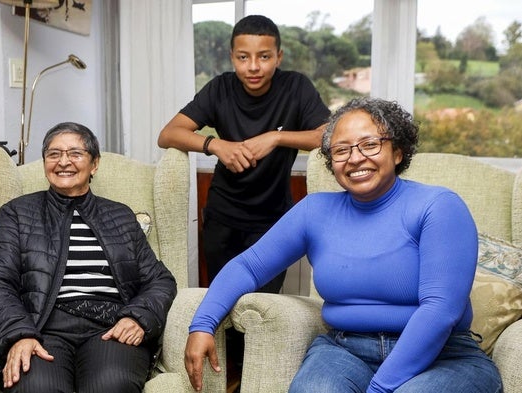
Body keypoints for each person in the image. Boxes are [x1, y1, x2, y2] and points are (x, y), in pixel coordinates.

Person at [184, 97, 503, 393]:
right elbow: (248, 265)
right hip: (347, 350)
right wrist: (203, 324)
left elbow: (440, 310)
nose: (355, 158)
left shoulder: (438, 206)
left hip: (444, 355)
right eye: (341, 150)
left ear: (398, 151)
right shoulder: (315, 211)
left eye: (370, 145)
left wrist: (380, 389)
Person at [0, 122, 177, 393]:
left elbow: (160, 280)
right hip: (41, 328)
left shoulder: (120, 216)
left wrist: (138, 317)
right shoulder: (17, 213)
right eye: (54, 154)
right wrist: (18, 335)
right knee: (37, 386)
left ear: (94, 164)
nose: (63, 162)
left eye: (75, 153)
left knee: (110, 384)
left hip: (109, 328)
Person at [158, 14, 330, 292]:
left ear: (279, 57)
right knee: (224, 303)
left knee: (263, 310)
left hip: (274, 222)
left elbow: (330, 136)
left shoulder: (296, 87)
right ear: (231, 57)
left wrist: (276, 137)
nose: (253, 67)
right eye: (242, 57)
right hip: (222, 217)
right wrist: (214, 145)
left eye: (264, 57)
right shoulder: (220, 88)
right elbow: (168, 134)